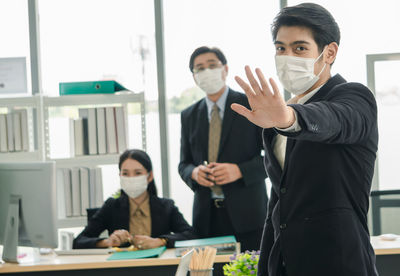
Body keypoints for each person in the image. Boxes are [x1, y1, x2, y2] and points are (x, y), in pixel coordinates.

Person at [231, 3, 378, 276]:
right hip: (286, 265)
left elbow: (332, 120)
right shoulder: (276, 116)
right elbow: (276, 204)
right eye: (280, 48)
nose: (287, 57)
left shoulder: (354, 97)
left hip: (340, 262)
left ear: (329, 52)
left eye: (299, 48)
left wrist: (287, 119)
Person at [179, 46, 268, 251]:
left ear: (225, 69)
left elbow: (273, 158)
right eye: (199, 68)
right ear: (194, 77)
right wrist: (194, 172)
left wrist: (240, 171)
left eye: (212, 65)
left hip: (249, 215)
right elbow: (183, 163)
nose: (206, 72)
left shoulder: (250, 105)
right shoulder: (188, 115)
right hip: (207, 218)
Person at [73, 149, 195, 249]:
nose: (131, 178)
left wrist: (160, 241)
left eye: (137, 173)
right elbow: (79, 241)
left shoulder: (166, 206)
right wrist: (108, 242)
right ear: (120, 176)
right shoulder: (111, 206)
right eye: (125, 174)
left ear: (150, 176)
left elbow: (190, 235)